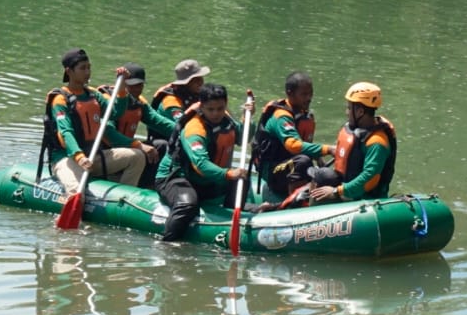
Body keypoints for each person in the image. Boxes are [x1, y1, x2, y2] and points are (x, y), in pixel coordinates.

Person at [153, 83, 249, 242]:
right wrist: (228, 173)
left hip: (204, 181)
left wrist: (247, 117)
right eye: (211, 109)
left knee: (242, 180)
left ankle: (230, 223)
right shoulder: (195, 128)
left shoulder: (226, 120)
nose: (216, 113)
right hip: (176, 177)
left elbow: (243, 137)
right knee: (187, 204)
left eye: (220, 108)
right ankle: (167, 244)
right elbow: (201, 165)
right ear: (202, 106)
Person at [47, 48, 148, 194]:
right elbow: (65, 133)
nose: (87, 72)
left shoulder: (93, 95)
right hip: (68, 159)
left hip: (93, 156)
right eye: (83, 68)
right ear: (69, 72)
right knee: (76, 191)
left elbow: (115, 113)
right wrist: (79, 157)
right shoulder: (60, 99)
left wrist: (120, 90)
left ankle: (122, 200)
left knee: (137, 157)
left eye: (89, 67)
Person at [308, 81, 397, 203]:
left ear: (360, 112)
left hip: (366, 200)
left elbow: (368, 178)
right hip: (348, 190)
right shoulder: (358, 131)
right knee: (322, 174)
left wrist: (336, 191)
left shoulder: (377, 142)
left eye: (349, 108)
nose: (347, 112)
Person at [253, 71, 333, 201]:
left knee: (323, 173)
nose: (309, 98)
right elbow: (293, 145)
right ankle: (294, 203)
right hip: (273, 171)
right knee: (302, 162)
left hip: (291, 165)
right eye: (304, 94)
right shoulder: (281, 116)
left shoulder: (306, 115)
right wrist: (328, 149)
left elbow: (307, 146)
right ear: (290, 93)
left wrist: (320, 162)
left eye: (310, 93)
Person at [99, 62, 174, 186]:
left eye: (140, 85)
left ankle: (149, 186)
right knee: (139, 154)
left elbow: (160, 122)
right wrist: (138, 145)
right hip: (107, 151)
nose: (136, 90)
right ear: (123, 84)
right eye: (132, 86)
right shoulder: (109, 101)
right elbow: (109, 133)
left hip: (129, 147)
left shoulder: (138, 103)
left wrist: (185, 131)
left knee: (161, 146)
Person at [150, 58, 211, 126]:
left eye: (200, 78)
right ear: (185, 83)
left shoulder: (195, 93)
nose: (200, 82)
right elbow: (182, 123)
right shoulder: (171, 101)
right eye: (195, 80)